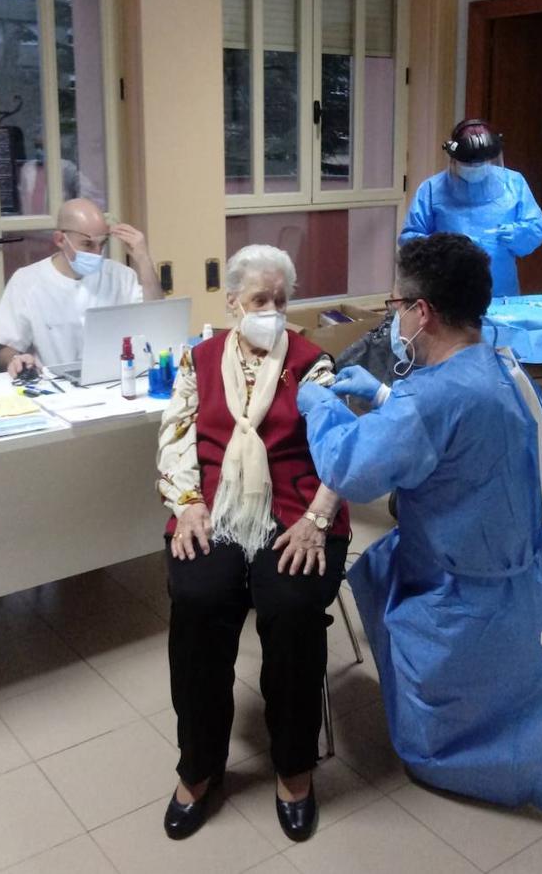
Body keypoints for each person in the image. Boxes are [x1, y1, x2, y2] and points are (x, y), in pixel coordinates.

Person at [296, 233, 542, 812]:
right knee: (524, 701)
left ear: (422, 313)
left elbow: (353, 466)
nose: (392, 319)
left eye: (395, 307)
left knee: (450, 711)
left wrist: (318, 408)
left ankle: (458, 767)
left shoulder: (430, 400)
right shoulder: (506, 368)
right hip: (518, 587)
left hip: (455, 596)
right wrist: (389, 396)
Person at [156, 244, 350, 842]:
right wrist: (185, 506)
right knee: (198, 599)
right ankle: (199, 766)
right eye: (261, 299)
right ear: (233, 301)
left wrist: (318, 518)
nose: (272, 310)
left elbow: (339, 450)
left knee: (291, 609)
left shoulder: (315, 363)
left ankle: (294, 767)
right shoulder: (199, 358)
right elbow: (177, 436)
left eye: (282, 300)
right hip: (214, 511)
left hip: (297, 512)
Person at [0, 198, 163, 378]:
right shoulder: (26, 281)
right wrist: (16, 359)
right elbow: (4, 349)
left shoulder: (120, 276)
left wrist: (143, 258)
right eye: (87, 244)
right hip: (54, 388)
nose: (96, 253)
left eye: (102, 244)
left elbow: (158, 321)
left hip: (113, 382)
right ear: (60, 239)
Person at [400, 118, 542, 297]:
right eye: (469, 164)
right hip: (447, 291)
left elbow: (536, 229)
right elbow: (410, 241)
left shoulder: (514, 183)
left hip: (500, 289)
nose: (475, 168)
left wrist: (516, 234)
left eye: (481, 163)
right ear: (454, 157)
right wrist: (444, 247)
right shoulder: (432, 189)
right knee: (452, 323)